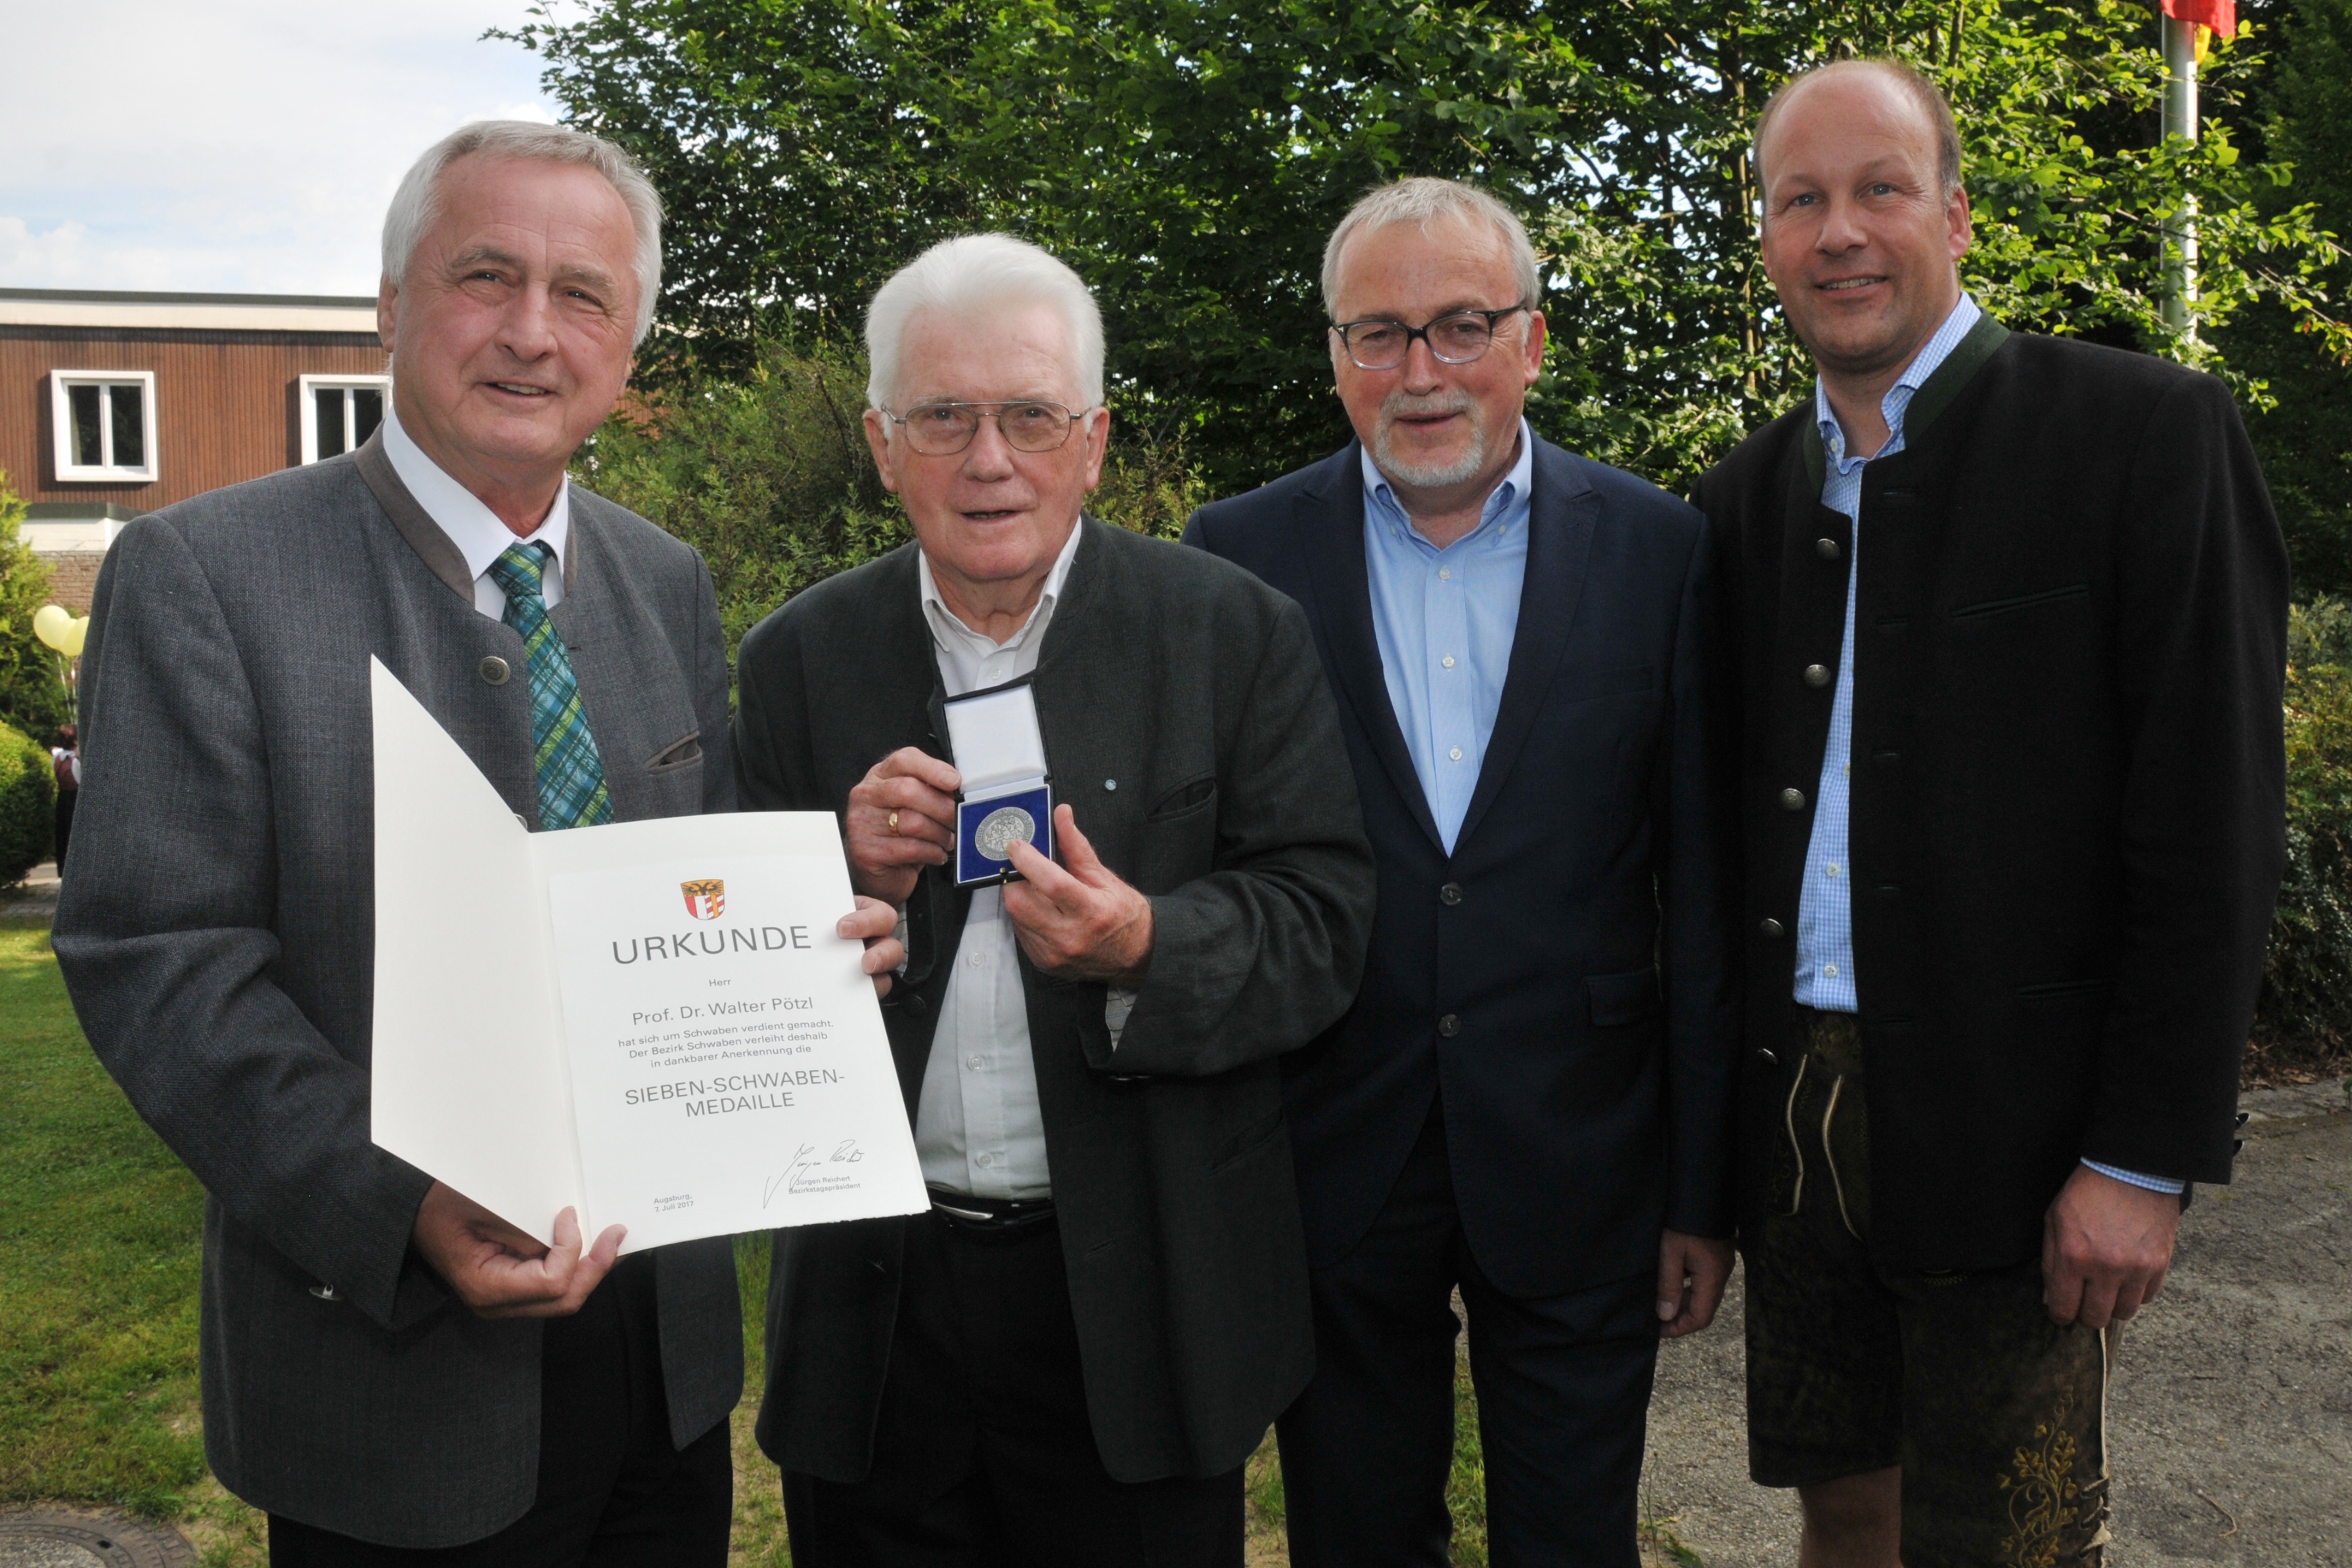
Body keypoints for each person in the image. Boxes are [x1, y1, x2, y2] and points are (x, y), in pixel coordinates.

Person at [54, 121, 900, 1565]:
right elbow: (157, 956)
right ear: (389, 303)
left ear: (629, 346)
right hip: (387, 1382)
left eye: (583, 294)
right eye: (484, 275)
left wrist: (814, 940)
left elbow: (690, 885)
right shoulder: (201, 573)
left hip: (660, 1369)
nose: (530, 331)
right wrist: (396, 1207)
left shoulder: (663, 577)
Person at [1694, 60, 2286, 1568]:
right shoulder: (1741, 500)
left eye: (1877, 189)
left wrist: (2142, 1156)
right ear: (1763, 239)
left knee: (2008, 1539)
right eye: (1798, 199)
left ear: (1953, 215)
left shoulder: (2140, 436)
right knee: (1842, 1507)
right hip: (1797, 1119)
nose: (1838, 230)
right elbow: (1707, 857)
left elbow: (2210, 829)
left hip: (2018, 1136)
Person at [734, 232, 1378, 1568]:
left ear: (1090, 439)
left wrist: (1144, 940)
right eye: (943, 416)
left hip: (1140, 1295)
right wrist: (841, 884)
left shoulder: (1229, 631)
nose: (988, 458)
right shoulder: (797, 658)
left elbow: (1320, 922)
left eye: (1029, 414)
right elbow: (733, 986)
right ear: (879, 440)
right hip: (880, 1302)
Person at [1185, 178, 1740, 1567]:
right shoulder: (1236, 558)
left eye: (1458, 325)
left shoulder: (1660, 549)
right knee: (1356, 1533)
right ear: (1331, 354)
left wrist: (1701, 1187)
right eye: (1377, 332)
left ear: (1532, 340)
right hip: (1330, 1147)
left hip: (1583, 1151)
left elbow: (1702, 883)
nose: (1418, 371)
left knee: (1571, 1538)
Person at [49, 723, 77, 871]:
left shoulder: (58, 758)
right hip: (75, 800)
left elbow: (54, 752)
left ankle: (64, 869)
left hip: (62, 798)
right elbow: (80, 780)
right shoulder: (75, 760)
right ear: (75, 741)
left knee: (63, 836)